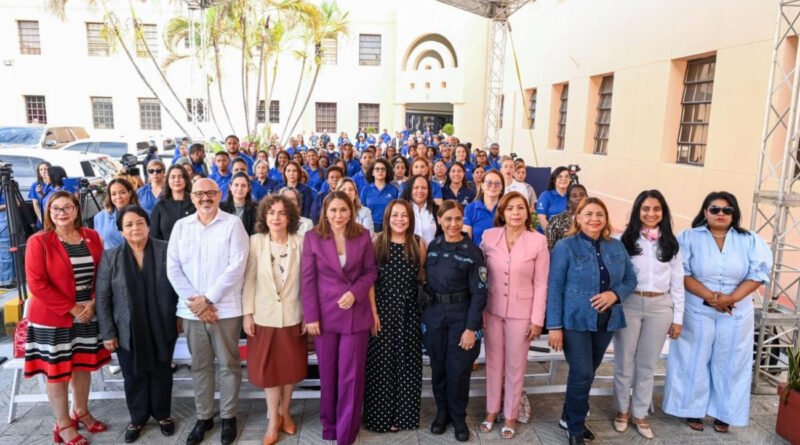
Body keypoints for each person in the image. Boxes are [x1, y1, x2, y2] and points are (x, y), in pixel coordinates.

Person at [662, 191, 771, 433]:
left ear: (734, 214)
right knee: (693, 358)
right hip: (697, 308)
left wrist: (732, 298)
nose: (721, 213)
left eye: (727, 210)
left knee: (732, 361)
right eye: (715, 209)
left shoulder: (750, 240)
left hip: (736, 310)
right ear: (705, 212)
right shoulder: (689, 237)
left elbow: (758, 274)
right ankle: (691, 409)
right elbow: (681, 272)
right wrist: (711, 297)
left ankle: (725, 413)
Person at [546, 197, 637, 445]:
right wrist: (554, 326)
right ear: (578, 218)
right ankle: (575, 427)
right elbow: (554, 287)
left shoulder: (616, 247)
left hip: (606, 320)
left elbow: (630, 280)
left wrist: (614, 294)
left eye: (599, 214)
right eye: (588, 214)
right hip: (574, 320)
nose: (594, 219)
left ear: (605, 219)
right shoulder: (565, 246)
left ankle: (567, 416)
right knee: (582, 372)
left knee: (587, 373)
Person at [166, 178, 249, 445]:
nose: (205, 198)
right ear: (192, 197)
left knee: (228, 365)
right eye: (199, 194)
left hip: (225, 310)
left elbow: (237, 265)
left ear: (219, 195)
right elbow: (173, 268)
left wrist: (209, 299)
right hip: (192, 311)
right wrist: (197, 304)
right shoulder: (181, 227)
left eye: (211, 193)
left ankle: (228, 416)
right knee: (200, 366)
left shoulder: (233, 224)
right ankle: (204, 417)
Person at [24, 191, 111, 445]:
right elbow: (37, 284)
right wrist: (72, 308)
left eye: (67, 208)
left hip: (86, 314)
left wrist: (93, 303)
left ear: (76, 210)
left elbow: (102, 274)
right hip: (53, 318)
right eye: (56, 209)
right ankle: (62, 424)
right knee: (57, 372)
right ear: (49, 213)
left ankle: (80, 411)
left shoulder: (91, 236)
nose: (62, 213)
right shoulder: (39, 241)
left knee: (82, 366)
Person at [95, 206, 178, 443]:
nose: (135, 228)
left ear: (148, 225)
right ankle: (138, 418)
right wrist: (108, 333)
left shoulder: (166, 249)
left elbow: (179, 284)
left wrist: (180, 317)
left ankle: (163, 415)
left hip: (162, 323)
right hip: (126, 328)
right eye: (128, 225)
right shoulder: (111, 257)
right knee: (133, 375)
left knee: (162, 371)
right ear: (121, 231)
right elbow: (103, 297)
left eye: (140, 222)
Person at [301, 191, 378, 445]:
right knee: (328, 373)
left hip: (355, 314)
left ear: (351, 211)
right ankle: (330, 425)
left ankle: (346, 432)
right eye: (333, 210)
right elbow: (307, 279)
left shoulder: (362, 235)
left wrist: (355, 293)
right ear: (325, 212)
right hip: (324, 316)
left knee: (351, 376)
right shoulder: (312, 237)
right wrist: (311, 316)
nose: (338, 215)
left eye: (343, 210)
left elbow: (370, 271)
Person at [612, 190, 685, 439]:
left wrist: (677, 319)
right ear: (637, 211)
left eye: (656, 209)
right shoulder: (623, 240)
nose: (651, 213)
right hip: (629, 303)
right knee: (624, 361)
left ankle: (640, 412)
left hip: (660, 307)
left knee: (647, 364)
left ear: (663, 212)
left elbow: (678, 285)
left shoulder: (671, 244)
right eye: (645, 209)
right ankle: (622, 410)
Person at [479, 192, 549, 440]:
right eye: (510, 208)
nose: (515, 213)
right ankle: (491, 410)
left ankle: (510, 415)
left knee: (516, 365)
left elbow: (541, 284)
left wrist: (537, 320)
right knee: (493, 363)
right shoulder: (489, 237)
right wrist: (479, 311)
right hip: (492, 310)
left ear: (528, 212)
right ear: (502, 212)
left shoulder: (538, 241)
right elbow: (481, 276)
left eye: (520, 208)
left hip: (522, 314)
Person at [242, 195, 307, 445]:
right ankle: (272, 421)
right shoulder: (256, 242)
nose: (276, 217)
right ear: (264, 216)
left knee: (289, 369)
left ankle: (285, 412)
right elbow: (249, 280)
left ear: (289, 217)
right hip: (264, 316)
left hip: (293, 315)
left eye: (281, 213)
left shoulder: (300, 242)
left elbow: (307, 282)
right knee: (269, 371)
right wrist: (248, 313)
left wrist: (308, 313)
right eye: (271, 213)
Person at [423, 200, 487, 442]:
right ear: (439, 220)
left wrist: (471, 328)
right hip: (435, 316)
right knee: (438, 367)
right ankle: (443, 414)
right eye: (448, 219)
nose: (453, 224)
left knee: (458, 370)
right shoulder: (433, 246)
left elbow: (480, 293)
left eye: (457, 219)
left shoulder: (473, 252)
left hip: (461, 317)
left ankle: (459, 417)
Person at [364, 200, 426, 432]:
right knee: (381, 365)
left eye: (404, 215)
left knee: (407, 365)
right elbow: (370, 282)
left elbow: (421, 277)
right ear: (388, 218)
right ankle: (380, 417)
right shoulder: (377, 242)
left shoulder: (418, 243)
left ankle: (403, 417)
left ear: (411, 219)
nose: (400, 219)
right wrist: (373, 313)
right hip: (382, 310)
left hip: (409, 313)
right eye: (395, 215)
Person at [150, 165, 196, 241]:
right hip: (166, 247)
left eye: (180, 176)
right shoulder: (160, 205)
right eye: (173, 177)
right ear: (167, 180)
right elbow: (154, 235)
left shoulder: (195, 204)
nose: (177, 180)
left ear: (186, 180)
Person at [93, 178, 140, 250]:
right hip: (112, 256)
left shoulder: (145, 214)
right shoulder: (99, 218)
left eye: (122, 192)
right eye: (114, 194)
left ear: (130, 193)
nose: (118, 197)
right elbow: (99, 245)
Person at [464, 169, 504, 247]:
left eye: (497, 183)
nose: (493, 186)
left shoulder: (507, 209)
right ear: (482, 186)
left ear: (502, 187)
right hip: (477, 253)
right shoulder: (470, 209)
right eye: (489, 183)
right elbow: (466, 241)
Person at [359, 159, 399, 233]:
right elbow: (361, 210)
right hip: (369, 226)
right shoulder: (366, 190)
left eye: (383, 169)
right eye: (377, 169)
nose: (380, 171)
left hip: (388, 226)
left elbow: (397, 211)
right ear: (372, 172)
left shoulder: (394, 190)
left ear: (387, 172)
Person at [546, 183, 588, 251]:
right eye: (574, 196)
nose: (579, 198)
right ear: (568, 201)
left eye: (582, 195)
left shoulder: (594, 219)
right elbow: (550, 247)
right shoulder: (557, 220)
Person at [400, 175, 439, 245]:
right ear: (410, 190)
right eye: (416, 187)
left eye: (424, 188)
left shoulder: (436, 210)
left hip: (432, 251)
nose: (420, 191)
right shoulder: (402, 209)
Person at [536, 166, 570, 232]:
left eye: (567, 176)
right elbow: (541, 218)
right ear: (554, 180)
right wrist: (552, 235)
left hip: (567, 235)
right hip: (546, 234)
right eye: (560, 176)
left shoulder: (572, 195)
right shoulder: (545, 195)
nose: (564, 179)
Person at [28, 160, 52, 227]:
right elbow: (36, 204)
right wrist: (42, 220)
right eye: (41, 170)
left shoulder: (55, 184)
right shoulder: (35, 185)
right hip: (42, 217)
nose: (43, 172)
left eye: (45, 169)